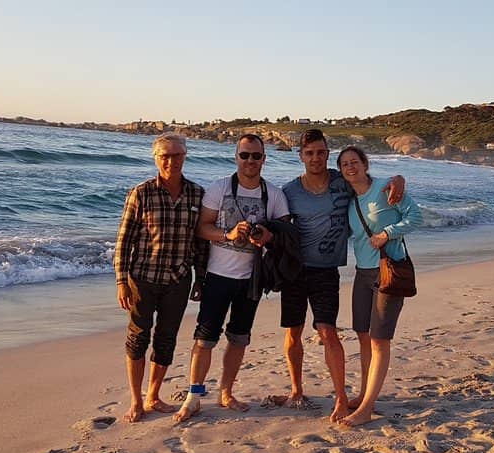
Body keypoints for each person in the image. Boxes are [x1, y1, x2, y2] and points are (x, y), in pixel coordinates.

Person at [272, 129, 404, 423]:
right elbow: (277, 226)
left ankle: (342, 398)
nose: (315, 158)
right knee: (293, 332)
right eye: (309, 153)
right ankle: (296, 390)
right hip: (295, 271)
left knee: (327, 331)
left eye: (320, 152)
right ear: (301, 156)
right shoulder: (289, 191)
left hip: (326, 271)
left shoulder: (341, 182)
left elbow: (372, 184)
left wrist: (398, 179)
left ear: (327, 154)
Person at [174, 134, 290, 423]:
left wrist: (266, 236)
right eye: (244, 155)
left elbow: (286, 234)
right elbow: (202, 228)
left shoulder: (274, 195)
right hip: (218, 275)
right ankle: (193, 396)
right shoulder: (219, 188)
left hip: (252, 279)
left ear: (264, 159)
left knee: (239, 338)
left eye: (256, 156)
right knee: (205, 338)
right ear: (236, 157)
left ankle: (226, 393)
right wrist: (229, 234)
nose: (250, 161)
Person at [114, 133, 208, 423]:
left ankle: (153, 396)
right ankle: (136, 399)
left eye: (177, 155)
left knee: (166, 339)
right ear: (156, 159)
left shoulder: (197, 194)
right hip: (142, 278)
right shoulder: (141, 193)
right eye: (165, 156)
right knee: (137, 338)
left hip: (178, 280)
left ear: (185, 157)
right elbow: (124, 240)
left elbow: (201, 242)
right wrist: (121, 281)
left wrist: (200, 279)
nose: (171, 161)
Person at [336, 146, 422, 427]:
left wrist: (387, 233)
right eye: (345, 164)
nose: (350, 167)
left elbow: (415, 217)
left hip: (388, 271)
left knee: (379, 340)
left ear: (365, 164)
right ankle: (364, 396)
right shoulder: (350, 201)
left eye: (355, 162)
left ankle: (367, 408)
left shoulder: (386, 188)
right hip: (362, 273)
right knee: (363, 335)